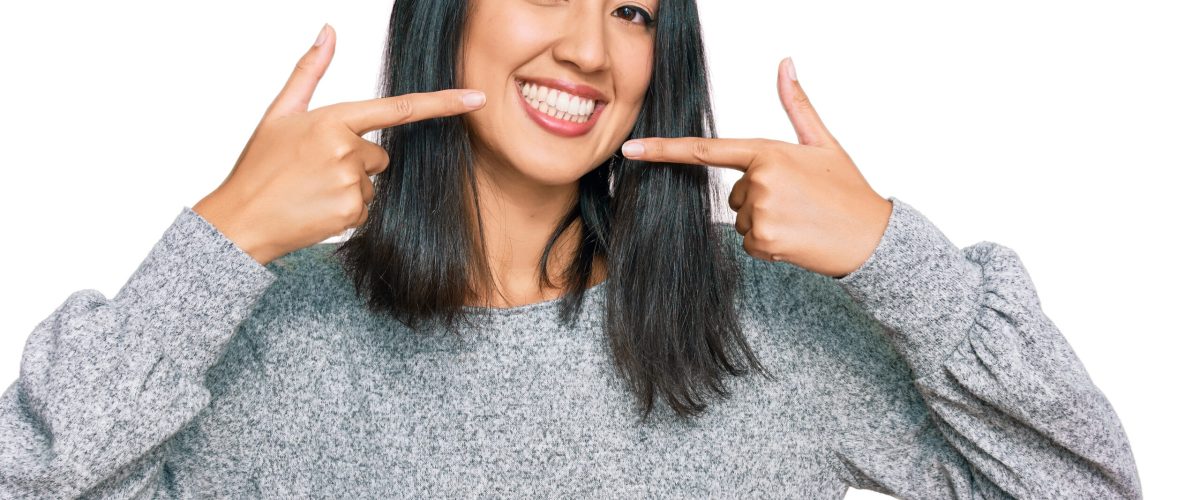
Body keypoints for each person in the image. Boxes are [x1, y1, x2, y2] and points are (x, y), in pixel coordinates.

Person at [0, 0, 1142, 498]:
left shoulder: (764, 318)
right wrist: (224, 236)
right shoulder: (277, 330)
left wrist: (900, 258)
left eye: (634, 12)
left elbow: (1085, 484)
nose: (591, 50)